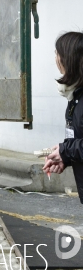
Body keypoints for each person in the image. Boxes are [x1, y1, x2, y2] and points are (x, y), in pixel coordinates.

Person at [43, 31, 83, 203]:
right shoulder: (75, 96)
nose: (56, 59)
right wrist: (65, 156)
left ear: (69, 59)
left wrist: (66, 150)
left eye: (58, 54)